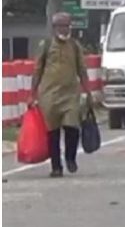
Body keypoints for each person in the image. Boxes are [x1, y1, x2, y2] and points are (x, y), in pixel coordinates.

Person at [29, 13, 90, 177]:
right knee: (52, 133)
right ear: (54, 28)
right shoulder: (46, 45)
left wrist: (88, 91)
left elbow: (82, 70)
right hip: (49, 95)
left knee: (72, 128)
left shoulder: (75, 46)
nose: (64, 29)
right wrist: (32, 94)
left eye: (66, 25)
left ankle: (70, 158)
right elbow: (37, 70)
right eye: (60, 26)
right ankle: (56, 167)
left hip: (70, 94)